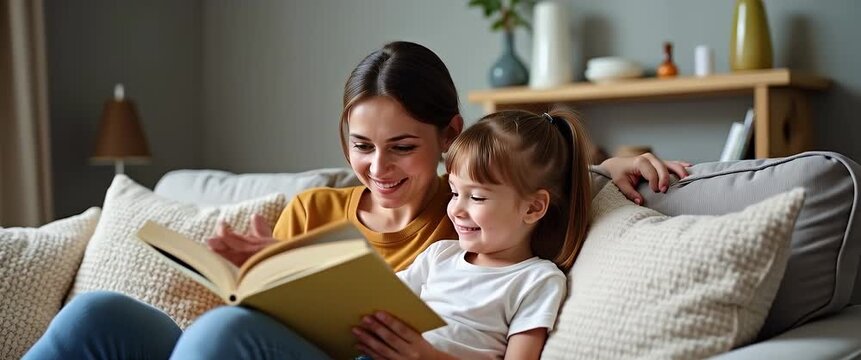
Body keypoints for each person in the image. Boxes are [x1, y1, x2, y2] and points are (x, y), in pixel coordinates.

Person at [24, 41, 688, 359]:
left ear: (449, 137)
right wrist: (250, 265)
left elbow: (527, 169)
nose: (378, 168)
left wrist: (609, 163)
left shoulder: (460, 221)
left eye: (402, 146)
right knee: (99, 316)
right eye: (361, 146)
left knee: (223, 335)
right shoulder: (313, 209)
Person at [351, 109, 592, 359]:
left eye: (476, 197)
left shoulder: (536, 281)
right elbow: (377, 301)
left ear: (533, 207)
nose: (456, 209)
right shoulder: (440, 255)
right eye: (455, 193)